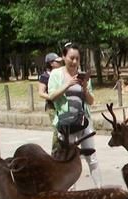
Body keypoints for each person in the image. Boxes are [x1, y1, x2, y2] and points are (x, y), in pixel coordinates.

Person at [48, 42, 102, 187]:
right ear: (64, 57)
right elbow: (51, 96)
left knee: (92, 157)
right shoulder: (56, 74)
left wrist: (84, 88)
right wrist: (68, 84)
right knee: (68, 160)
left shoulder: (83, 75)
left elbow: (91, 101)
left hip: (83, 121)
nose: (74, 62)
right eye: (71, 58)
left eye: (77, 59)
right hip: (66, 124)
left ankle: (99, 190)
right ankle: (70, 195)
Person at [38, 52, 62, 151]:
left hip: (62, 105)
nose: (60, 63)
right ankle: (55, 152)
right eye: (57, 62)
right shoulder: (45, 76)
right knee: (57, 128)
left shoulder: (61, 74)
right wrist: (52, 97)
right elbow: (41, 93)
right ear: (51, 63)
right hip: (52, 107)